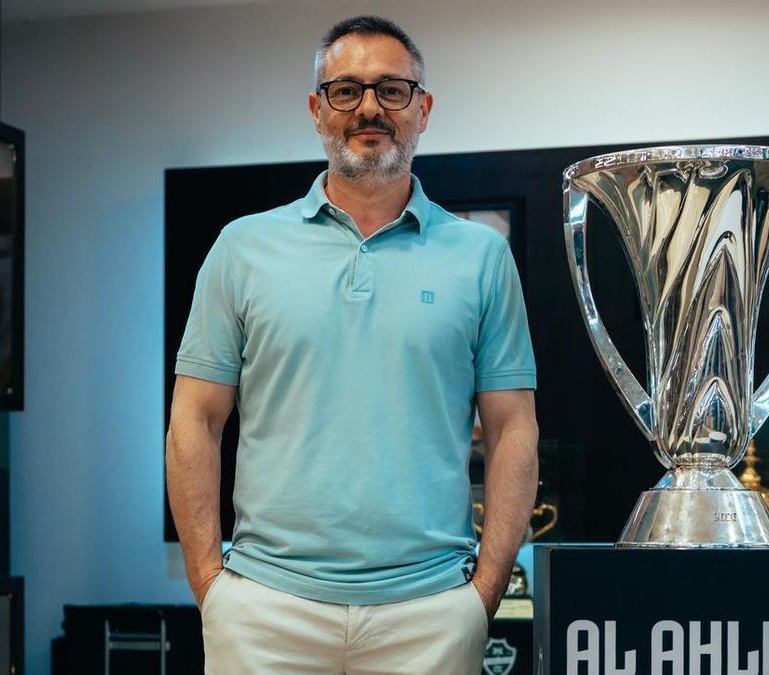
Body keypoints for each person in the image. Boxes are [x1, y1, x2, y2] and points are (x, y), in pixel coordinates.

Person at [165, 15, 538, 675]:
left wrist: (482, 595)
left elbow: (512, 428)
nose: (370, 107)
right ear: (317, 110)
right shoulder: (242, 248)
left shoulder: (482, 256)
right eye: (347, 90)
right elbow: (195, 419)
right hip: (264, 615)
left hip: (430, 616)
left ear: (423, 110)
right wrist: (210, 585)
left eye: (392, 89)